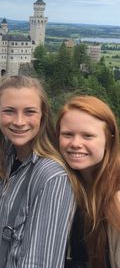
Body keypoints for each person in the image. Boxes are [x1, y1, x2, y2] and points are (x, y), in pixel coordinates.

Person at [0, 75, 75, 267]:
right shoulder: (5, 161)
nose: (19, 121)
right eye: (9, 111)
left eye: (30, 111)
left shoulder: (51, 176)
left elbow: (40, 261)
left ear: (43, 116)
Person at [56, 95, 120, 268]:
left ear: (109, 140)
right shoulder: (61, 187)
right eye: (68, 134)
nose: (76, 143)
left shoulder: (116, 198)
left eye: (87, 136)